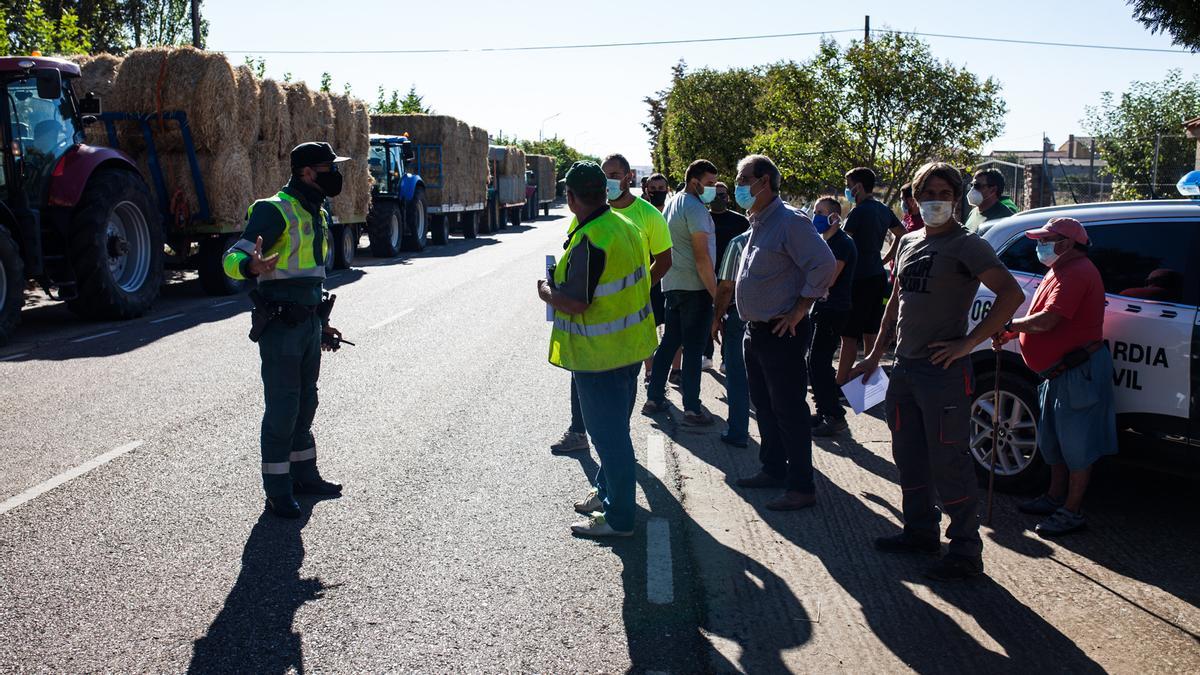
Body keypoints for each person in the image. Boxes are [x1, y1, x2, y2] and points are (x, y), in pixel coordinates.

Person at [847, 161, 1024, 580]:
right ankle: (919, 532)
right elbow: (896, 302)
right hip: (904, 370)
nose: (936, 202)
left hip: (943, 373)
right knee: (908, 456)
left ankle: (965, 549)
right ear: (916, 198)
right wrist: (875, 355)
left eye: (945, 194)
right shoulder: (909, 241)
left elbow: (1011, 295)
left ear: (957, 199)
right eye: (929, 194)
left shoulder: (968, 245)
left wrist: (968, 342)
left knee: (949, 461)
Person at [223, 142, 347, 519]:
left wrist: (322, 324)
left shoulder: (316, 210)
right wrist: (250, 267)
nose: (335, 174)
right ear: (307, 172)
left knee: (307, 402)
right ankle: (278, 490)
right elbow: (231, 258)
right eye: (329, 167)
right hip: (282, 325)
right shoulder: (274, 209)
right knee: (283, 407)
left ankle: (304, 476)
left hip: (309, 320)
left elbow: (311, 275)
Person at [538, 161, 658, 537]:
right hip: (630, 348)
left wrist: (545, 290)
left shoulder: (592, 238)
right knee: (615, 432)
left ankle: (620, 519)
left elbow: (576, 302)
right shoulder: (627, 225)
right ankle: (607, 492)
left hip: (600, 356)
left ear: (572, 198)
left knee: (610, 440)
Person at [996, 217, 1116, 536]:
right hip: (1059, 373)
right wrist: (1014, 334)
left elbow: (1049, 321)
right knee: (1054, 442)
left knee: (1078, 446)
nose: (1041, 245)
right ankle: (1054, 497)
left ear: (1067, 243)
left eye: (1047, 240)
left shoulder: (1076, 272)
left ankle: (1071, 510)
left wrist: (1010, 327)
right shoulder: (1060, 269)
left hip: (1077, 372)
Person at [731, 155, 836, 511]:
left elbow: (822, 263)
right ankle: (773, 469)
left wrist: (799, 309)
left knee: (789, 410)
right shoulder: (760, 221)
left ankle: (801, 486)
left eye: (744, 178)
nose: (739, 185)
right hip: (756, 332)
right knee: (765, 406)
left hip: (781, 333)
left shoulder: (790, 220)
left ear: (765, 182)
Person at [549, 154, 673, 454]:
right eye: (605, 175)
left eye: (615, 174)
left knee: (613, 427)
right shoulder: (588, 218)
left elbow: (664, 260)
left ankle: (616, 491)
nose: (609, 180)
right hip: (592, 333)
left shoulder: (646, 216)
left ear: (629, 176)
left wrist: (635, 291)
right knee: (589, 395)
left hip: (622, 330)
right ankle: (581, 433)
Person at [644, 159, 720, 425]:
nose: (712, 189)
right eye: (709, 184)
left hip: (673, 286)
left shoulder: (675, 203)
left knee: (669, 343)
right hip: (695, 288)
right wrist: (717, 294)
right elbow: (702, 258)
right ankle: (692, 408)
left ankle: (654, 397)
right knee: (693, 348)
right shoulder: (695, 208)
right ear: (694, 181)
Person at [839, 167, 905, 386]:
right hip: (877, 274)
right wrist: (884, 259)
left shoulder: (858, 212)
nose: (848, 190)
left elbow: (842, 243)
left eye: (849, 186)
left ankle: (841, 383)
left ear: (858, 186)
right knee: (871, 331)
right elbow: (901, 234)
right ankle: (868, 383)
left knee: (848, 335)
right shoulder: (883, 209)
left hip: (857, 278)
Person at [808, 196, 857, 437]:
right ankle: (824, 410)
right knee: (815, 363)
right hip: (823, 308)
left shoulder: (842, 243)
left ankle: (835, 416)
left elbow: (829, 277)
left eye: (821, 212)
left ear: (834, 217)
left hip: (834, 309)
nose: (815, 216)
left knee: (818, 362)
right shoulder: (824, 241)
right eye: (815, 211)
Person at [710, 227, 751, 447]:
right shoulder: (790, 237)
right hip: (778, 317)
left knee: (737, 377)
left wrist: (716, 319)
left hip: (740, 316)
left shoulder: (739, 243)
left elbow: (726, 286)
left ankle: (737, 430)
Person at [706, 181, 750, 371]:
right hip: (708, 274)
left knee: (729, 318)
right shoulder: (702, 219)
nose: (719, 199)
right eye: (715, 195)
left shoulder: (741, 221)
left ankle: (726, 357)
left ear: (729, 197)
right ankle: (706, 354)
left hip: (733, 276)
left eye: (722, 195)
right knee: (710, 315)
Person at [963, 168, 1016, 233]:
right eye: (972, 185)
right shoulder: (973, 212)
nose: (972, 189)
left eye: (977, 185)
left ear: (993, 190)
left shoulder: (1005, 218)